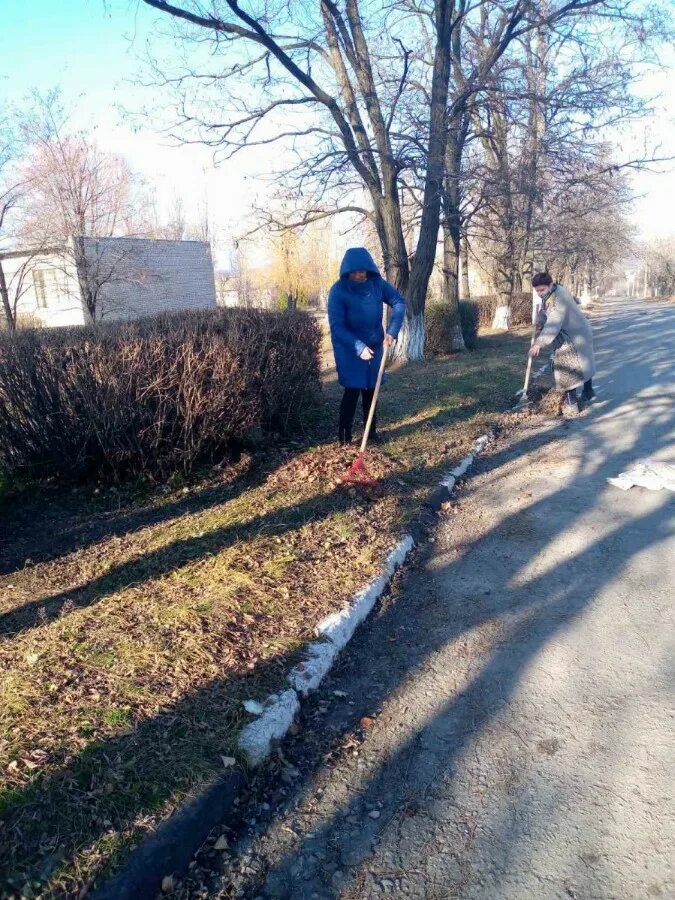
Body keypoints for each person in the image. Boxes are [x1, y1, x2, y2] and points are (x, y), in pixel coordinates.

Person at [328, 247, 406, 445]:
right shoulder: (338, 291)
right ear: (347, 272)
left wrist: (392, 331)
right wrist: (358, 347)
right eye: (354, 272)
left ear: (368, 269)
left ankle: (370, 434)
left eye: (362, 271)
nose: (359, 275)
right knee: (352, 391)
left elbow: (398, 302)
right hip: (349, 348)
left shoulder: (377, 284)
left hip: (375, 346)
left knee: (372, 390)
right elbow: (337, 327)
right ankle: (344, 438)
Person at [529, 272, 596, 417]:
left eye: (542, 290)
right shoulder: (550, 293)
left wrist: (539, 343)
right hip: (571, 332)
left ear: (550, 285)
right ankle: (588, 393)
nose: (540, 293)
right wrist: (540, 321)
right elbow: (545, 310)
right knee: (581, 364)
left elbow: (554, 321)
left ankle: (572, 405)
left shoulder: (559, 297)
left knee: (566, 368)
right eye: (537, 291)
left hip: (575, 335)